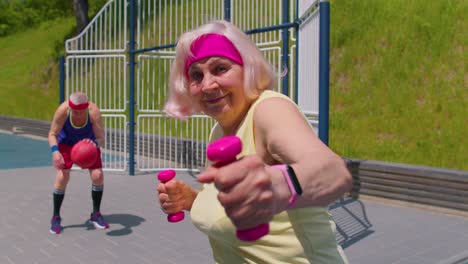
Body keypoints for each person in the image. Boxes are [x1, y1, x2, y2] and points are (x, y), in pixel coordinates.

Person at [157, 20, 353, 263]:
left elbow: (333, 172)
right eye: (196, 75)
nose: (208, 85)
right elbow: (237, 207)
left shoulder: (268, 110)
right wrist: (194, 200)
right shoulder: (220, 130)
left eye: (220, 69)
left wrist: (278, 186)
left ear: (247, 69)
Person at [48, 92, 109, 234]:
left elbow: (102, 139)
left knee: (98, 175)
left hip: (88, 144)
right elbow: (52, 134)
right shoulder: (63, 111)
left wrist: (93, 143)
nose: (78, 115)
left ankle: (96, 214)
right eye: (75, 112)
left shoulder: (94, 112)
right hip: (66, 143)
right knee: (62, 176)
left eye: (81, 112)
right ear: (70, 108)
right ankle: (55, 217)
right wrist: (55, 152)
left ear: (87, 108)